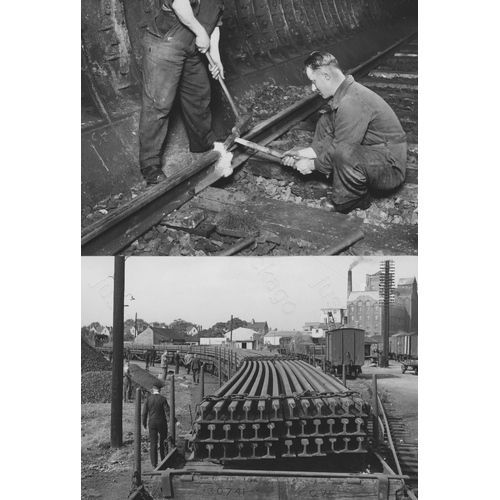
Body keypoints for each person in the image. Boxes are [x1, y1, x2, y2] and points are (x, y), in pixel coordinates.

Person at [281, 51, 407, 214]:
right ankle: (338, 175)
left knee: (343, 151)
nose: (313, 87)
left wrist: (311, 165)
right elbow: (333, 137)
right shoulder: (346, 94)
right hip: (374, 153)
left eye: (314, 81)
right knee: (327, 119)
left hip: (390, 168)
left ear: (326, 75)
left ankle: (355, 199)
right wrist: (300, 154)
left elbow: (341, 148)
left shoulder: (352, 102)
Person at [139, 0, 225, 184]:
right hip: (166, 44)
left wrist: (216, 59)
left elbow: (214, 22)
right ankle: (150, 165)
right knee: (158, 104)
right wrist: (201, 33)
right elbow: (179, 5)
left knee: (199, 97)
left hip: (193, 49)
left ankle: (204, 146)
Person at [142, 380, 170, 469]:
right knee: (163, 441)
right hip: (162, 422)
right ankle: (164, 460)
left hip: (152, 422)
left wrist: (144, 423)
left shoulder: (148, 399)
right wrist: (171, 420)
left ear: (153, 389)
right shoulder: (163, 398)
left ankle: (154, 464)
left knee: (153, 443)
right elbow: (167, 411)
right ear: (160, 389)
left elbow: (144, 413)